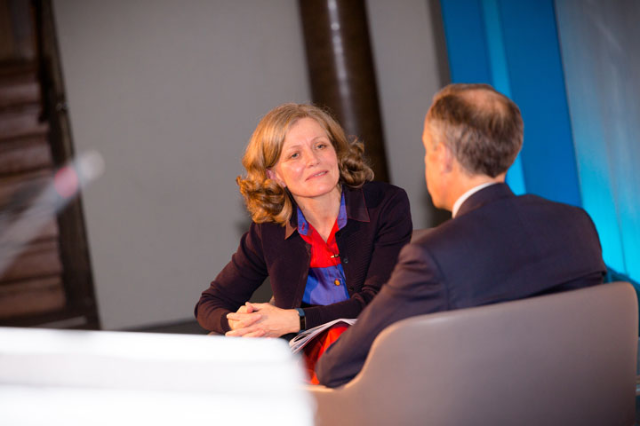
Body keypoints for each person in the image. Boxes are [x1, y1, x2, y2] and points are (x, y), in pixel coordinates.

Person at [315, 83, 607, 388]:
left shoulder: (434, 256)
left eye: (427, 149)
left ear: (442, 157)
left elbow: (337, 367)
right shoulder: (577, 224)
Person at [195, 103, 412, 343]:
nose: (313, 160)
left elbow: (380, 300)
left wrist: (295, 319)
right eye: (294, 155)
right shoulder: (269, 230)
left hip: (381, 343)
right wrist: (247, 322)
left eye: (320, 146)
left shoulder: (385, 203)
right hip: (306, 358)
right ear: (275, 176)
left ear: (337, 153)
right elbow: (210, 303)